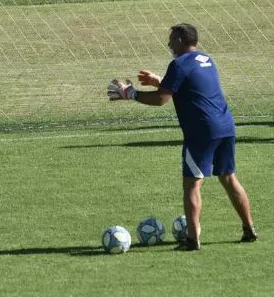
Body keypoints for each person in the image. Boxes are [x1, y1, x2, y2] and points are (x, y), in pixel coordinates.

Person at [106, 23, 257, 251]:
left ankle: (192, 240)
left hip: (201, 131)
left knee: (192, 185)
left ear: (180, 40)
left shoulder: (178, 64)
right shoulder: (207, 60)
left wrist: (132, 94)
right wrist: (161, 81)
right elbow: (192, 87)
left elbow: (161, 100)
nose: (168, 44)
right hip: (226, 126)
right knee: (229, 178)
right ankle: (249, 229)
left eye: (171, 39)